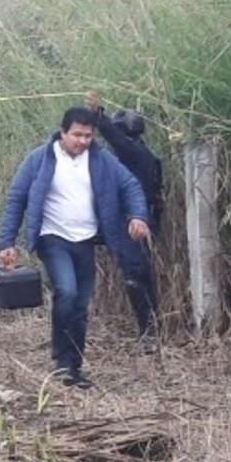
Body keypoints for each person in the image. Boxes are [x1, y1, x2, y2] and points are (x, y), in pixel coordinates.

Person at [0, 106, 150, 389]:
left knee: (79, 304)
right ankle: (62, 361)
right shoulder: (40, 159)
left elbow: (130, 186)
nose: (82, 141)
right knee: (65, 292)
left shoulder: (102, 160)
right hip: (52, 238)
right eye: (77, 135)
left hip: (85, 241)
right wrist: (7, 242)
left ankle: (74, 367)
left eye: (88, 136)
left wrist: (138, 216)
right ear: (63, 132)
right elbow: (16, 199)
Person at [85, 90, 163, 354]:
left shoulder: (131, 153)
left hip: (132, 223)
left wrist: (98, 115)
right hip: (135, 222)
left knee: (135, 275)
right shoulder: (145, 155)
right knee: (139, 274)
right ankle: (150, 331)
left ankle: (150, 334)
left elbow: (115, 140)